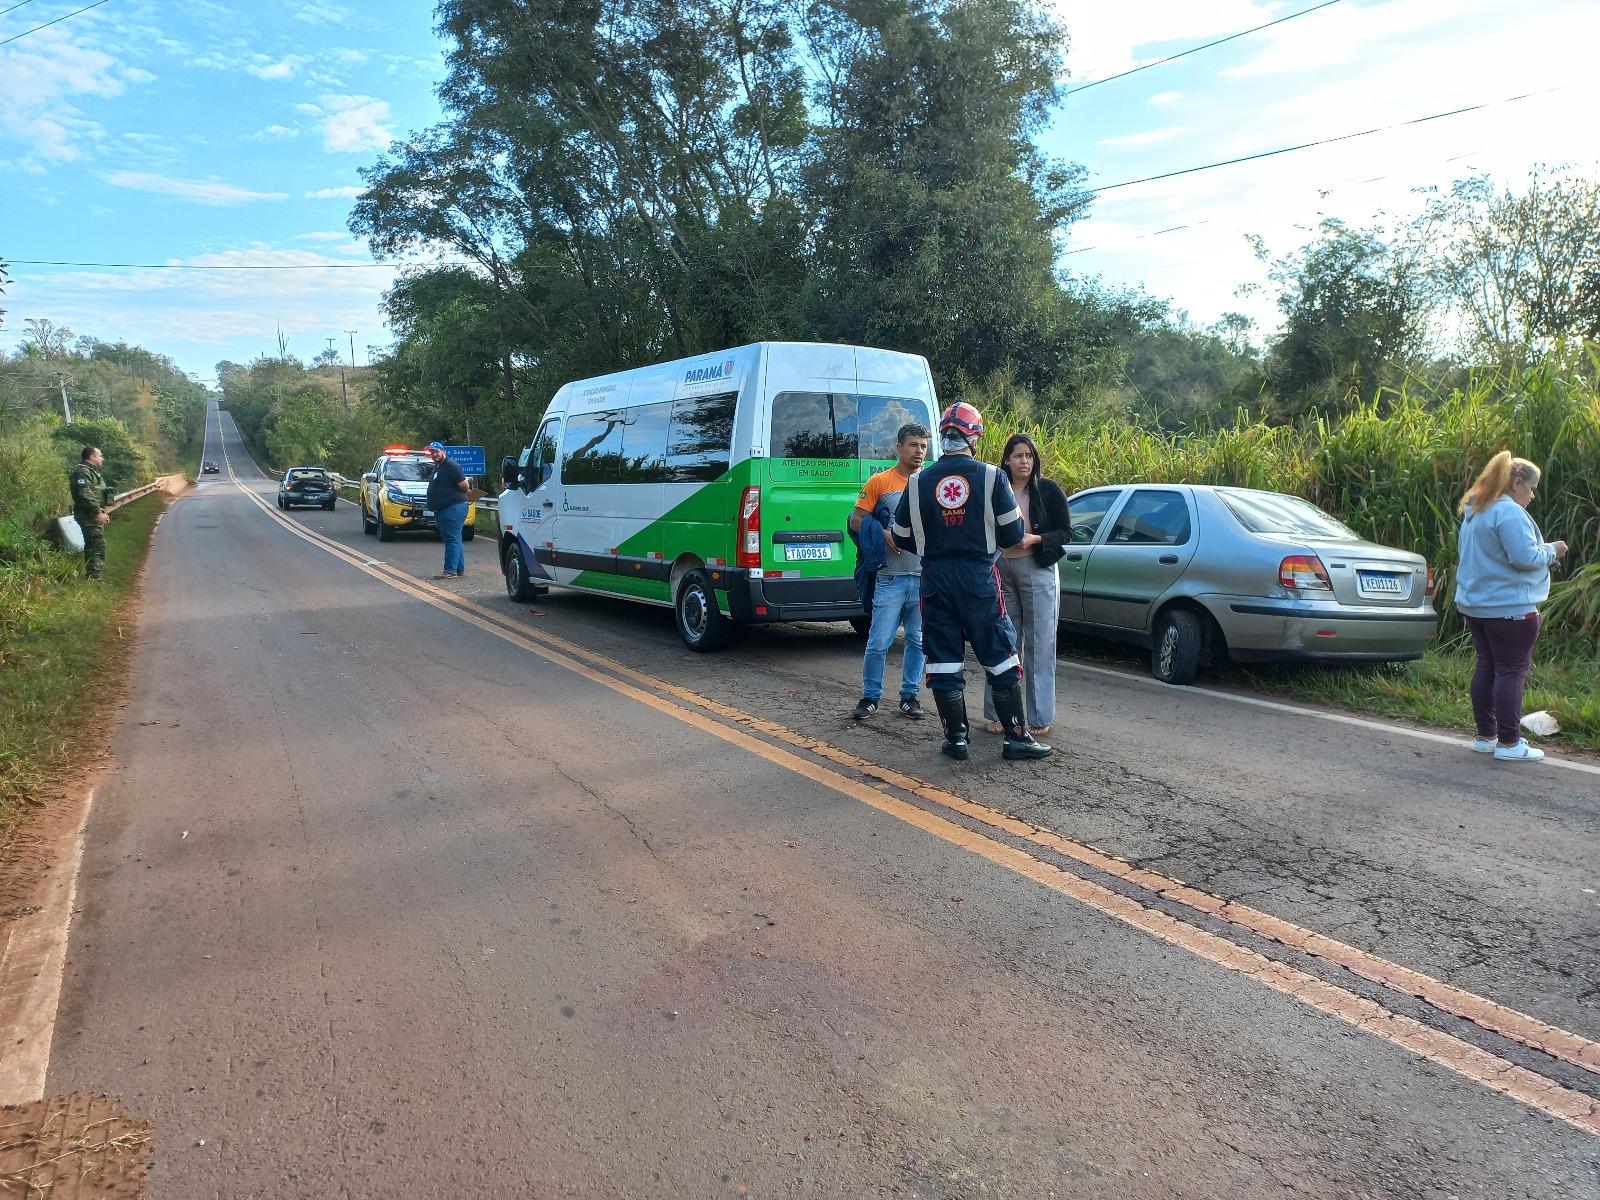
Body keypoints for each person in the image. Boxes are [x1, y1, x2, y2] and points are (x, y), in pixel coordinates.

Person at [891, 402, 1051, 762]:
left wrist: (933, 544)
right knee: (999, 653)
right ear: (974, 438)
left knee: (943, 658)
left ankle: (956, 740)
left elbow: (900, 536)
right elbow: (1013, 533)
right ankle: (1016, 737)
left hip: (934, 578)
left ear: (942, 436)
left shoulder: (917, 482)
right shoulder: (992, 476)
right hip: (978, 576)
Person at [1455, 451, 1568, 763]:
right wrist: (1553, 550)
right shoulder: (1508, 512)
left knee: (1487, 667)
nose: (1532, 495)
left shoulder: (1477, 510)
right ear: (1516, 483)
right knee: (1511, 671)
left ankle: (1486, 736)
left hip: (1477, 606)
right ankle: (1509, 743)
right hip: (1510, 608)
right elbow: (1523, 557)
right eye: (1531, 488)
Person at [982, 434, 1071, 737]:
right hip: (1001, 569)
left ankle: (1039, 716)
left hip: (1037, 568)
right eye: (1018, 455)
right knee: (1003, 641)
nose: (1024, 461)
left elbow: (1065, 532)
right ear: (1007, 460)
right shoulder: (995, 489)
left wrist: (1036, 538)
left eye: (1029, 456)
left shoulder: (1047, 490)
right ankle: (999, 713)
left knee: (1039, 643)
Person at [848, 423, 931, 721]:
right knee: (879, 641)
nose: (919, 451)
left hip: (922, 577)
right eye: (913, 445)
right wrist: (883, 533)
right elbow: (856, 520)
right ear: (899, 448)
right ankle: (870, 697)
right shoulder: (879, 482)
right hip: (889, 577)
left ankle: (910, 697)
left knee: (917, 641)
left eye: (923, 446)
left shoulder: (930, 482)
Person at [424, 441, 471, 579]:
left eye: (436, 451)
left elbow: (464, 486)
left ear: (443, 451)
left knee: (451, 539)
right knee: (455, 538)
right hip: (444, 509)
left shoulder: (451, 466)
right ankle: (459, 569)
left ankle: (450, 571)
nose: (434, 454)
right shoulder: (438, 467)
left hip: (453, 507)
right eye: (431, 452)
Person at [69, 446, 110, 580]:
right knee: (96, 545)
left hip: (91, 513)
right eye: (100, 455)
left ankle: (94, 575)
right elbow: (85, 493)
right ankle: (94, 576)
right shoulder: (82, 471)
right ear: (92, 457)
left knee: (95, 544)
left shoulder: (89, 471)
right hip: (88, 514)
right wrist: (98, 512)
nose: (102, 458)